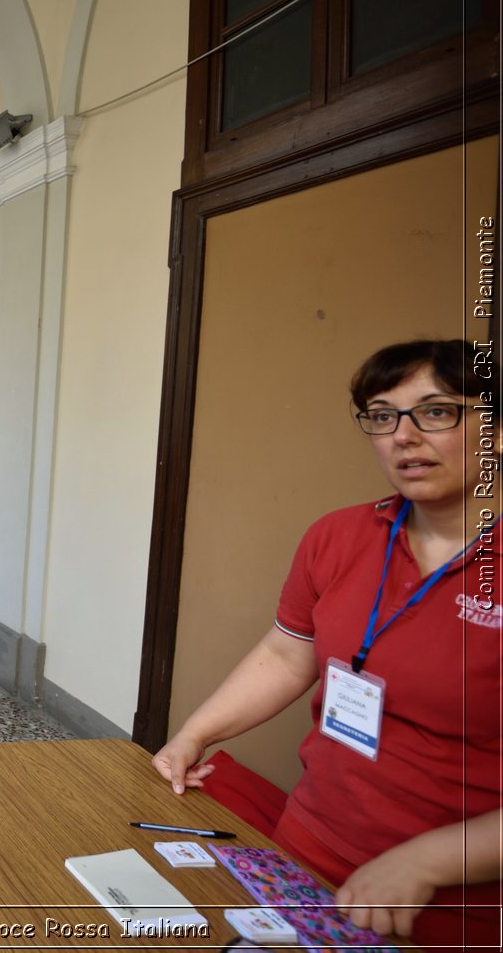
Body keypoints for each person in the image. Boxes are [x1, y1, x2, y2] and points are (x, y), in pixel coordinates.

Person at [153, 339, 500, 949]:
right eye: (383, 415)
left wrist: (431, 860)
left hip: (459, 899)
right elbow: (290, 653)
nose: (403, 436)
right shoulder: (339, 535)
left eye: (437, 411)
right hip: (308, 845)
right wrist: (194, 735)